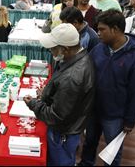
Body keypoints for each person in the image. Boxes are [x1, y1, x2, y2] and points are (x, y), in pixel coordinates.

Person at [78, 9, 135, 166]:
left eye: (102, 29)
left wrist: (130, 120)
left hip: (115, 115)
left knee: (113, 151)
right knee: (89, 143)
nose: (98, 33)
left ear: (115, 29)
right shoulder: (98, 49)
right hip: (93, 110)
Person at [24, 23, 95, 166]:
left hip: (63, 133)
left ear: (65, 49)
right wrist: (48, 93)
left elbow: (56, 116)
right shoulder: (78, 58)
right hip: (71, 126)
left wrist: (33, 103)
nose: (51, 51)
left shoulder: (72, 77)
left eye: (53, 48)